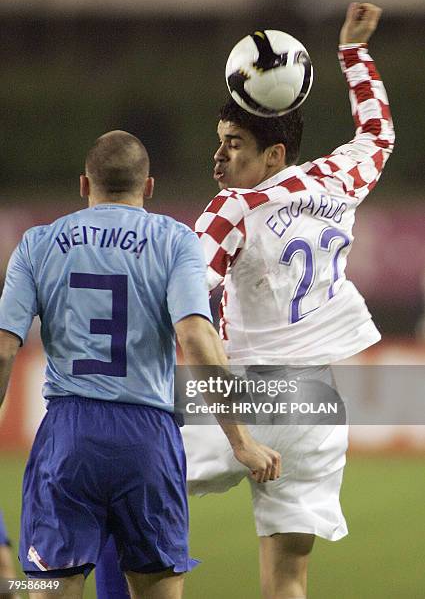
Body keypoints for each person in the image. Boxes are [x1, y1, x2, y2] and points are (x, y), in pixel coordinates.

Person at [94, 2, 395, 599]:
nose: (220, 156)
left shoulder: (234, 208)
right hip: (315, 405)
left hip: (241, 392)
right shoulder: (337, 180)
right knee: (288, 580)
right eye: (220, 141)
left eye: (233, 143)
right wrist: (354, 52)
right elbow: (378, 132)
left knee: (109, 490)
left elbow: (174, 302)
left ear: (273, 154)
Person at [0, 131, 281, 599]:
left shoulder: (38, 244)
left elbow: (5, 348)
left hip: (68, 437)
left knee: (48, 589)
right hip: (148, 439)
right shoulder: (176, 242)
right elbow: (195, 336)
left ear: (84, 185)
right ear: (148, 187)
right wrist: (242, 440)